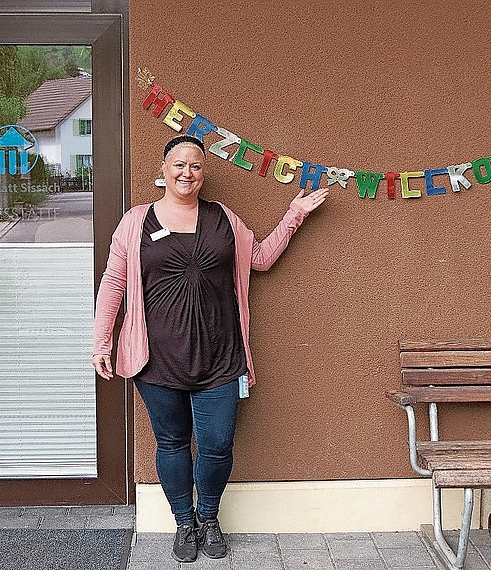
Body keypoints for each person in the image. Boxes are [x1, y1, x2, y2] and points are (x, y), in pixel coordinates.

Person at [92, 134, 328, 563]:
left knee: (218, 444)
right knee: (172, 443)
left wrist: (294, 214)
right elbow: (113, 283)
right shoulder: (136, 222)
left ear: (204, 173)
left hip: (222, 358)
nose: (187, 172)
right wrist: (100, 343)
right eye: (178, 164)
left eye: (196, 166)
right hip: (156, 360)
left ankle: (208, 517)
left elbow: (259, 259)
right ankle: (183, 522)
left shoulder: (223, 218)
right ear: (163, 171)